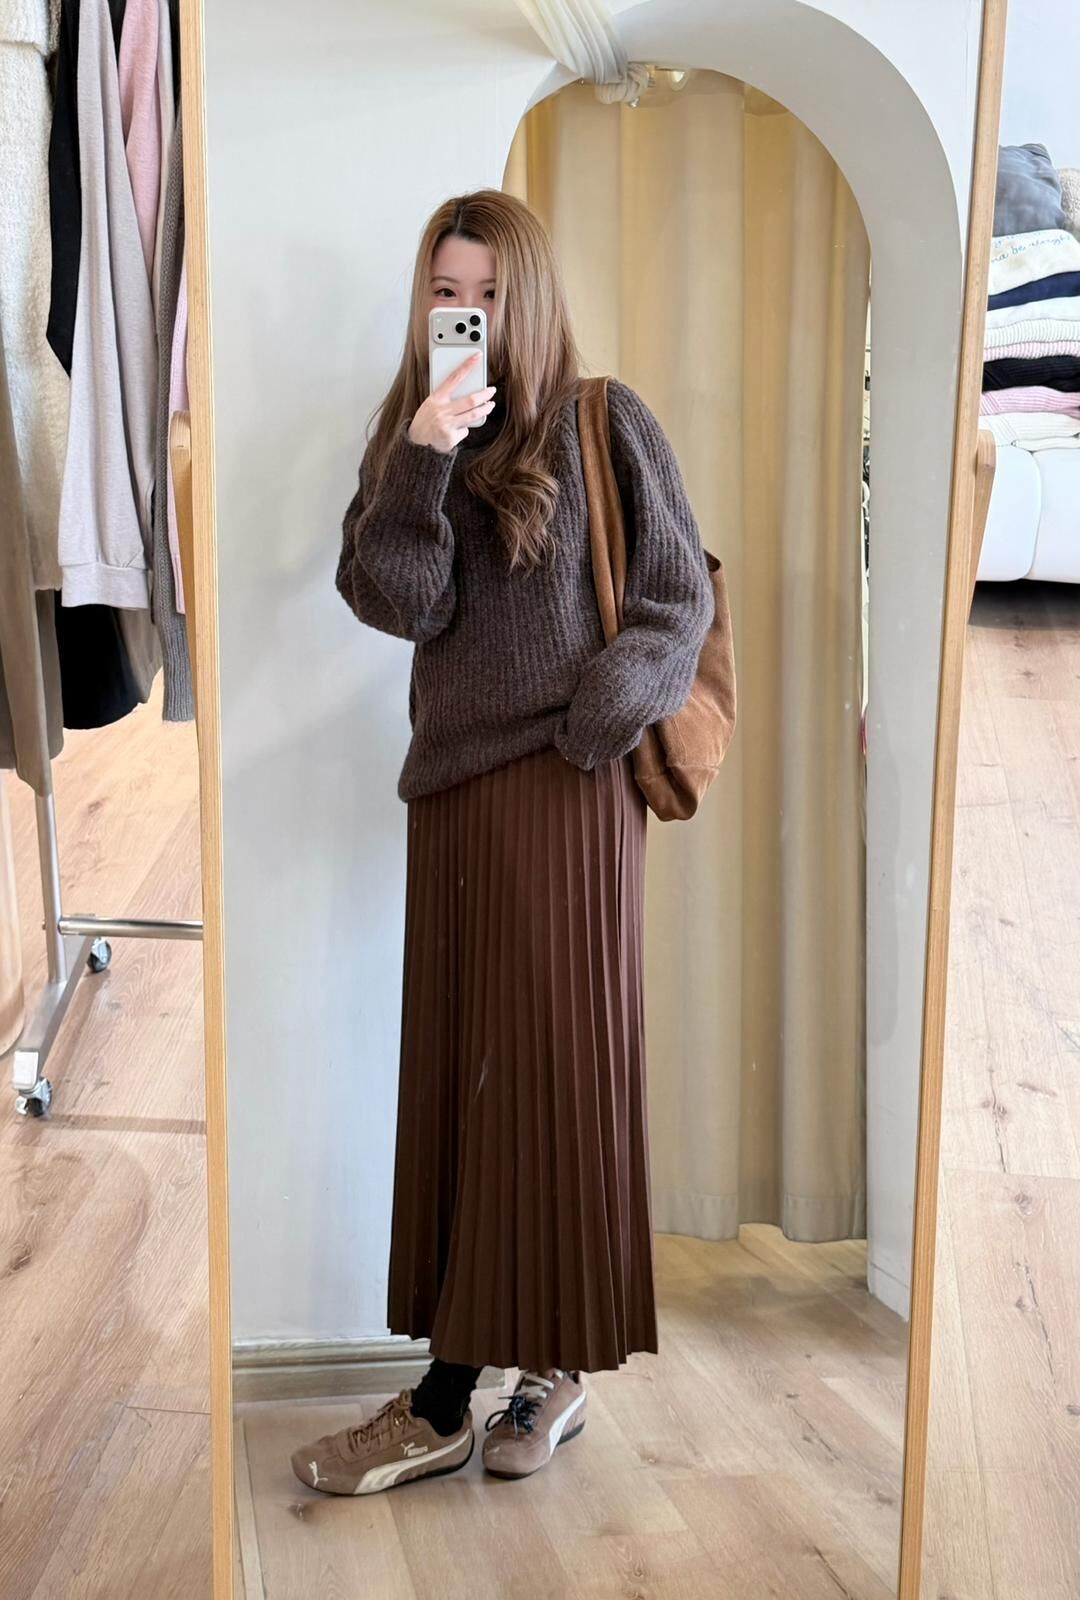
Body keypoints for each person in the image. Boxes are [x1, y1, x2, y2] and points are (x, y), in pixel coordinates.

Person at [292, 190, 713, 1497]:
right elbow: (395, 602)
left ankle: (481, 1388)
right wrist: (424, 451)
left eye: (484, 290)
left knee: (551, 1080)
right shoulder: (410, 435)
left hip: (571, 794)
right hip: (454, 795)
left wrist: (603, 716)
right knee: (465, 1082)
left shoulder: (602, 417)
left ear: (527, 294)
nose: (463, 310)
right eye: (444, 290)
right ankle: (500, 1378)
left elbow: (676, 595)